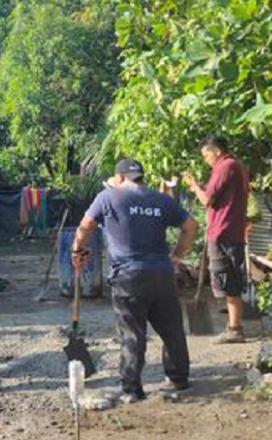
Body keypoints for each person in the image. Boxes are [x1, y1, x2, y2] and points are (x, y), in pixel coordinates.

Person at [73, 159, 198, 402]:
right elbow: (191, 225)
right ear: (140, 176)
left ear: (119, 178)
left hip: (128, 276)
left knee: (132, 333)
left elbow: (85, 226)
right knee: (172, 330)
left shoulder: (108, 197)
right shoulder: (162, 200)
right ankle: (179, 380)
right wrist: (176, 256)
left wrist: (77, 250)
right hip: (162, 273)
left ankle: (132, 389)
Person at [184, 136, 250, 344]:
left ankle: (234, 329)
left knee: (227, 280)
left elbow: (206, 200)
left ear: (217, 151)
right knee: (230, 279)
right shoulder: (233, 165)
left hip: (224, 231)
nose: (206, 159)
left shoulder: (225, 166)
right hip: (229, 229)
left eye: (206, 155)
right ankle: (233, 326)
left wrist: (194, 185)